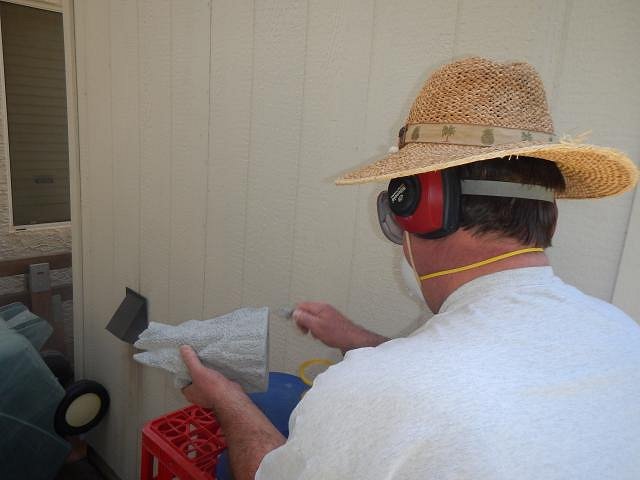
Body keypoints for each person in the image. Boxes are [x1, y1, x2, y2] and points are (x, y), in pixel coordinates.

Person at [180, 57, 640, 479]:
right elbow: (478, 387)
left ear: (420, 209)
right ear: (550, 214)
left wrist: (226, 398)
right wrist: (359, 339)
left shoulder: (367, 393)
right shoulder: (622, 335)